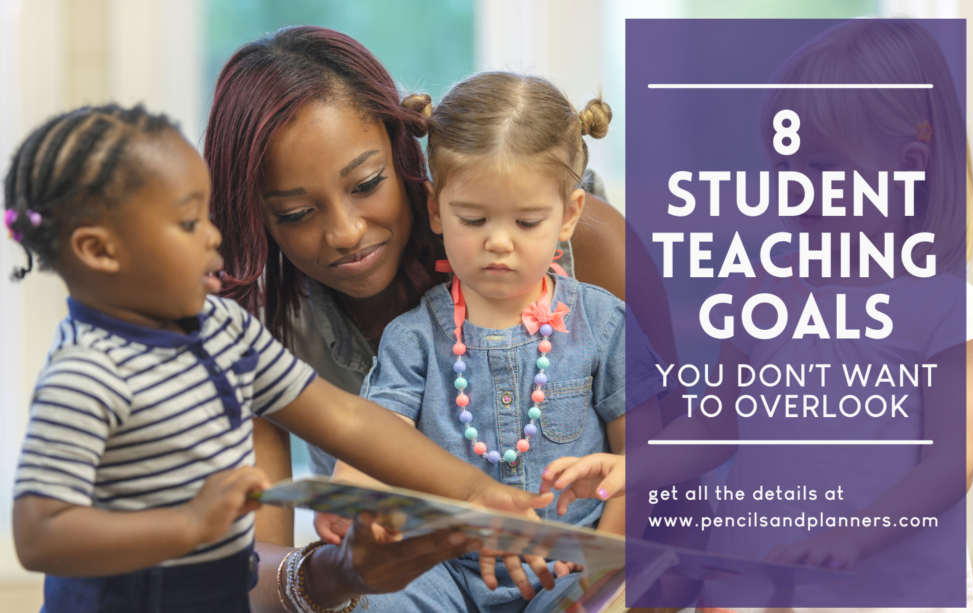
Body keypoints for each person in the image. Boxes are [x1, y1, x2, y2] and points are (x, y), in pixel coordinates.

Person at [205, 26, 698, 612]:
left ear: (403, 154)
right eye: (295, 213)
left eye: (367, 184)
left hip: (581, 566)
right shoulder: (281, 322)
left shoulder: (592, 268)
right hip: (431, 575)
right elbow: (259, 562)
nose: (345, 233)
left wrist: (606, 578)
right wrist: (334, 561)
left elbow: (669, 484)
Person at [6, 103, 555, 613]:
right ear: (99, 250)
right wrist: (189, 525)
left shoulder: (224, 329)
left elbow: (345, 418)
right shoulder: (84, 376)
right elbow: (39, 535)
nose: (214, 236)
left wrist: (477, 492)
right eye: (188, 222)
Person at [542, 20, 973, 613]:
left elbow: (948, 466)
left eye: (818, 170)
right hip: (754, 586)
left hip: (891, 597)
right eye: (783, 169)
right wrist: (628, 467)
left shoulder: (945, 310)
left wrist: (852, 537)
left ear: (910, 167)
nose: (791, 190)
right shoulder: (764, 289)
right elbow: (717, 426)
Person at [303, 71, 667, 612]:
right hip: (441, 567)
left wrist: (607, 559)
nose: (499, 241)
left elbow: (641, 461)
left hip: (570, 563)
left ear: (569, 216)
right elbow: (376, 439)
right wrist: (349, 495)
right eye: (472, 219)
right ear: (435, 208)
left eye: (526, 221)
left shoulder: (605, 323)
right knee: (371, 600)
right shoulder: (413, 336)